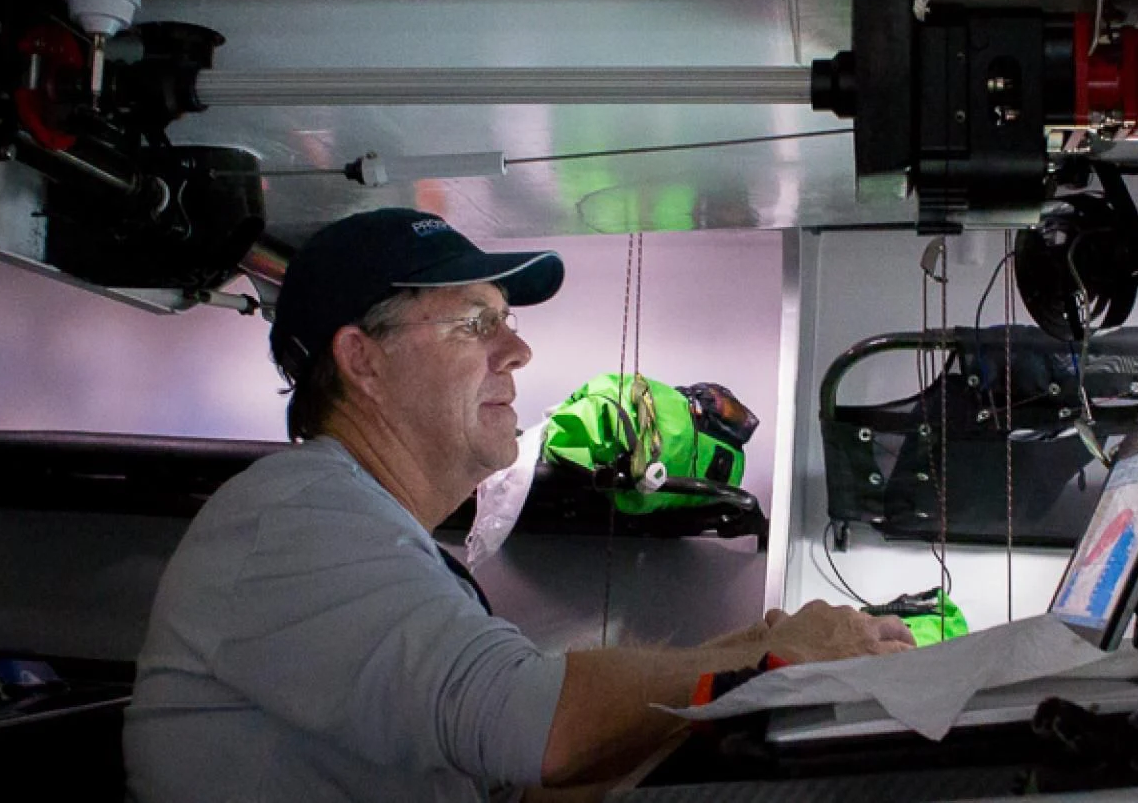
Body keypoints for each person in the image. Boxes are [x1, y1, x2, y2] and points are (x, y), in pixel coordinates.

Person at [123, 208, 914, 802]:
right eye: (476, 323)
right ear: (362, 360)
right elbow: (541, 729)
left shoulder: (378, 539)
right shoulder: (292, 519)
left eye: (507, 321)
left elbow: (519, 781)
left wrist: (754, 653)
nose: (519, 350)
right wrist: (766, 661)